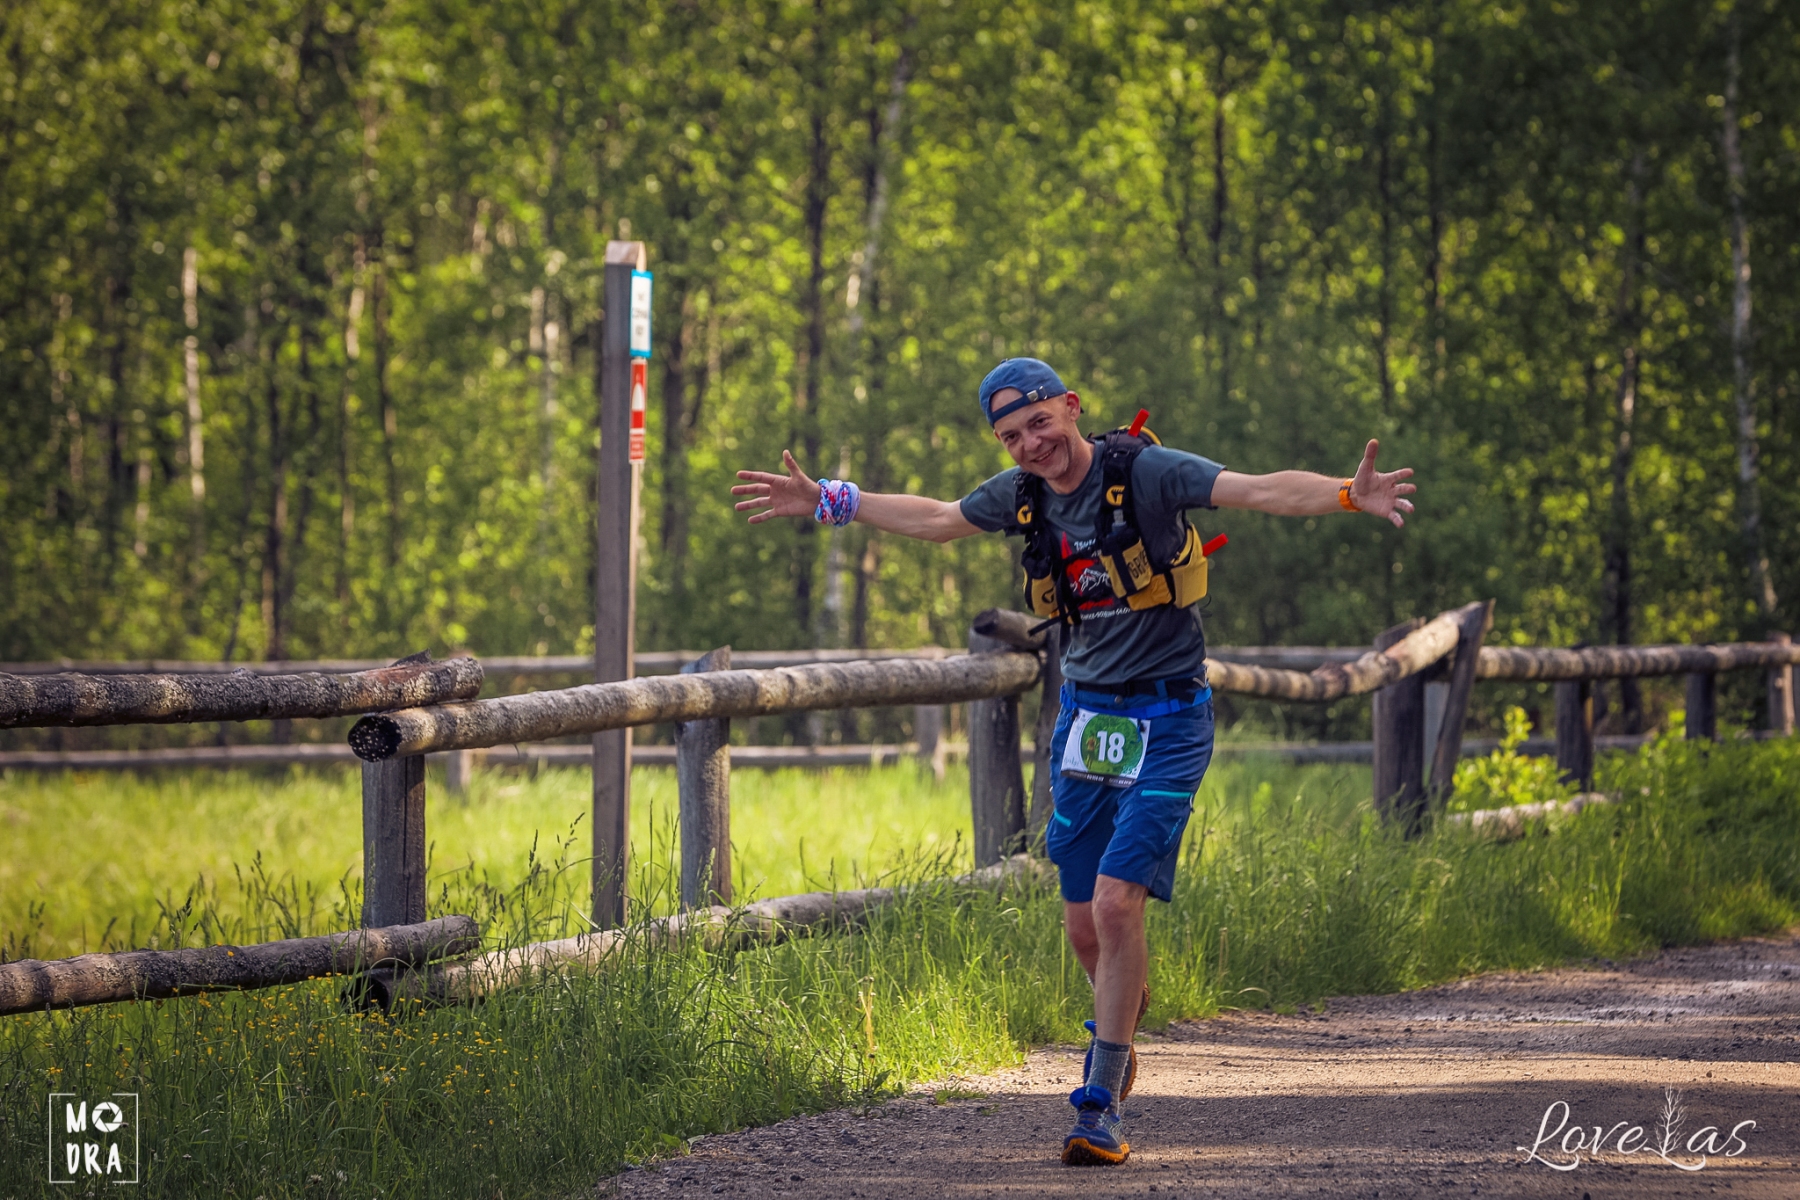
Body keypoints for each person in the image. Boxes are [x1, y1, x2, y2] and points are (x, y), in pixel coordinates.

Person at [732, 357, 1415, 1167]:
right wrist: (829, 499)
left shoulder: (1144, 473)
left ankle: (1100, 1102)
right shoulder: (1022, 496)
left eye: (1039, 423)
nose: (1031, 444)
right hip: (1086, 723)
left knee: (1119, 906)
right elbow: (939, 518)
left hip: (1169, 717)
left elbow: (1259, 489)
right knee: (1085, 925)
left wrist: (1347, 494)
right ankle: (1122, 1015)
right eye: (1011, 436)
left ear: (1071, 407)